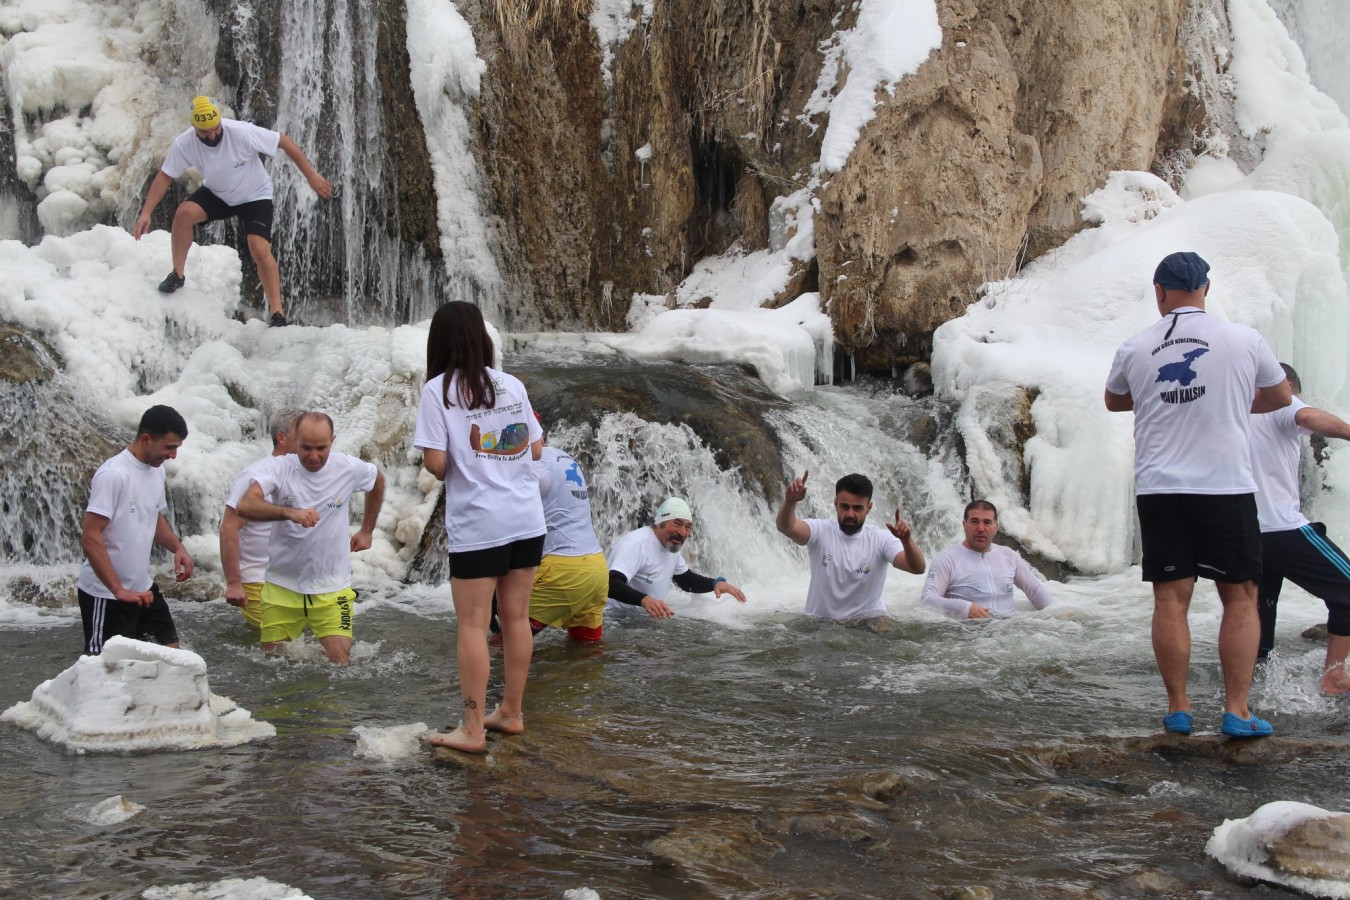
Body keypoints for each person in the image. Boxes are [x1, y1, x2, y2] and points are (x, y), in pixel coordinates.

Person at [1105, 251, 1291, 738]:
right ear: (1205, 290)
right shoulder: (1243, 339)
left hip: (1160, 488)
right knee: (1241, 596)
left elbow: (1114, 399)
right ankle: (1237, 710)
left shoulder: (1137, 345)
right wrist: (1227, 397)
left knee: (1170, 598)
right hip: (1223, 485)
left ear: (1159, 292)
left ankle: (1179, 708)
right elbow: (1279, 398)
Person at [413, 301, 545, 754]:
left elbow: (435, 464)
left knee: (472, 625)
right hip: (527, 518)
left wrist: (468, 456)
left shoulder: (438, 391)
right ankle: (511, 712)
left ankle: (471, 728)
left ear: (440, 342)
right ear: (482, 340)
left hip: (480, 522)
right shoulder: (512, 384)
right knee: (515, 619)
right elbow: (537, 449)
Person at [132, 95, 333, 327]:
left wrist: (312, 176)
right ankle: (177, 274)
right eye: (205, 133)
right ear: (195, 127)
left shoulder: (241, 132)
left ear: (220, 121)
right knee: (184, 214)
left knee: (259, 248)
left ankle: (277, 311)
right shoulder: (184, 143)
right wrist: (146, 212)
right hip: (218, 194)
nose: (212, 135)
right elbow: (165, 176)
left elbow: (284, 142)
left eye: (215, 129)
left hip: (255, 195)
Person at [235, 412, 384, 665]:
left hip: (333, 587)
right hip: (281, 587)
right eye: (305, 448)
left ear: (333, 441)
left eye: (321, 448)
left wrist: (367, 529)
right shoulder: (279, 468)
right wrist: (289, 513)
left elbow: (377, 480)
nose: (313, 456)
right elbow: (245, 505)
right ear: (294, 439)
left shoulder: (348, 467)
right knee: (271, 667)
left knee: (341, 666)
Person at [1250, 363, 1350, 693]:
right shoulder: (1281, 400)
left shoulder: (1231, 411)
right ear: (1289, 386)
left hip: (1243, 534)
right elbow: (1309, 418)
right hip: (1283, 529)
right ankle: (1333, 677)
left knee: (1258, 609)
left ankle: (1254, 684)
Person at [77, 405, 194, 655]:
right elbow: (90, 536)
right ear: (145, 439)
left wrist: (177, 547)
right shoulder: (114, 475)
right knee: (105, 670)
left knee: (173, 657)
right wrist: (118, 589)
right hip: (106, 596)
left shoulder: (156, 470)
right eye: (169, 447)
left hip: (142, 589)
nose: (173, 455)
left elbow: (153, 515)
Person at [493, 427, 609, 643]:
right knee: (585, 654)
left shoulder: (528, 467)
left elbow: (510, 530)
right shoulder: (563, 457)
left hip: (565, 571)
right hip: (597, 568)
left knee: (504, 644)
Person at [775, 471, 925, 625]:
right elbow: (786, 527)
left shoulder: (881, 539)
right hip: (820, 626)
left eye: (858, 508)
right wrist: (790, 502)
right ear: (835, 503)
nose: (850, 514)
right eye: (844, 507)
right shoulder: (819, 531)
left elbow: (918, 568)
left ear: (869, 507)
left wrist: (907, 541)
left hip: (867, 626)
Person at [218, 408, 300, 629]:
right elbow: (228, 529)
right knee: (282, 655)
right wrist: (234, 583)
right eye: (302, 434)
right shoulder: (256, 475)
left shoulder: (302, 474)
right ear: (282, 438)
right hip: (257, 581)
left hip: (293, 581)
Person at [607, 497, 747, 618]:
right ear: (660, 523)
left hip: (644, 620)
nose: (682, 532)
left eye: (687, 527)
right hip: (617, 618)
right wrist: (645, 600)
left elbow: (686, 580)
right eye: (677, 523)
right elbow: (611, 584)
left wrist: (715, 583)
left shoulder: (670, 545)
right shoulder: (637, 544)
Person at [920, 500, 1053, 618]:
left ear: (996, 528)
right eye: (974, 521)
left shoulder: (1008, 556)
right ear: (964, 525)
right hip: (968, 635)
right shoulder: (947, 558)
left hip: (1010, 633)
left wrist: (1058, 614)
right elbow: (927, 600)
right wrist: (964, 608)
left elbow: (1036, 592)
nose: (981, 528)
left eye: (987, 522)